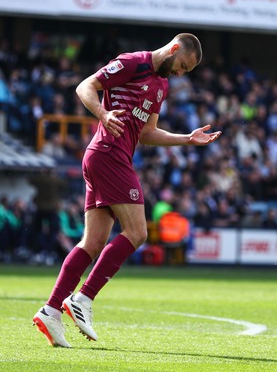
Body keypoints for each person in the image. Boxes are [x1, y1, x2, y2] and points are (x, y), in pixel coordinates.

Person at [33, 33, 222, 347]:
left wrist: (187, 138)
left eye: (186, 71)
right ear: (174, 49)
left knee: (92, 242)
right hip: (108, 154)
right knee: (138, 232)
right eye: (183, 66)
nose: (180, 73)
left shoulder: (161, 86)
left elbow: (146, 133)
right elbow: (85, 87)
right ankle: (83, 299)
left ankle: (51, 311)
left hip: (107, 157)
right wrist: (103, 114)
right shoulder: (132, 63)